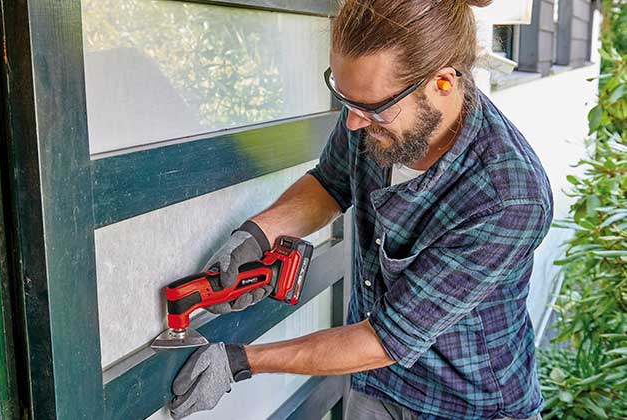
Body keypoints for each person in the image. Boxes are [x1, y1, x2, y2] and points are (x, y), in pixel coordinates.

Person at [169, 1, 553, 419]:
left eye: (371, 108)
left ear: (442, 83)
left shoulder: (508, 196)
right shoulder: (372, 109)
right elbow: (330, 184)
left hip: (466, 406)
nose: (353, 123)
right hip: (375, 383)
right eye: (345, 99)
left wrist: (241, 361)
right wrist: (257, 235)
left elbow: (384, 340)